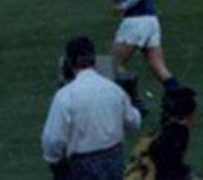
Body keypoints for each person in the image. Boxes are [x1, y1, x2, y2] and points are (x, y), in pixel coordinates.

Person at [42, 35, 141, 180]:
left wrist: (54, 161)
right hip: (114, 160)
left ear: (69, 63)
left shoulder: (65, 96)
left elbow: (52, 140)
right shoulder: (113, 89)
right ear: (95, 59)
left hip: (81, 165)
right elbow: (134, 122)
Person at [109, 0, 180, 107]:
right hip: (150, 21)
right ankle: (180, 99)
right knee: (158, 66)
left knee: (112, 65)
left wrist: (124, 5)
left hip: (136, 22)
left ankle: (135, 104)